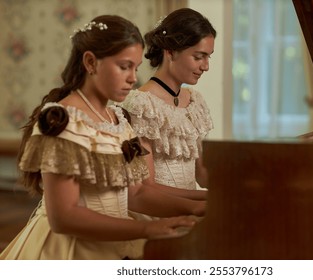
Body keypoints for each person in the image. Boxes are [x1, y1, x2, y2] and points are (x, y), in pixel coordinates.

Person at [0, 15, 206, 260]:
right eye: (124, 66)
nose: (132, 78)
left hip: (112, 243)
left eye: (136, 68)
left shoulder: (117, 119)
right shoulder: (61, 122)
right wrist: (147, 228)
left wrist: (196, 206)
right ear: (90, 62)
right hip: (70, 251)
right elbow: (63, 218)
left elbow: (137, 193)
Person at [119, 8, 216, 203]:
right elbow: (147, 187)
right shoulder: (140, 105)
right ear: (170, 52)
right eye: (198, 57)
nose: (206, 66)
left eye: (208, 57)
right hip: (157, 212)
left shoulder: (195, 102)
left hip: (194, 209)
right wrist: (206, 198)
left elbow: (202, 174)